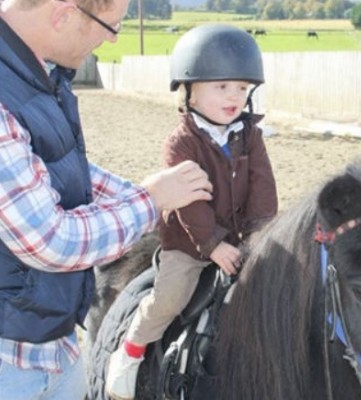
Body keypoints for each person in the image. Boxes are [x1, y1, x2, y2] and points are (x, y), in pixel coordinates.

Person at [0, 0, 214, 398]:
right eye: (109, 24)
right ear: (62, 13)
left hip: (49, 342)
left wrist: (163, 201)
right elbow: (49, 240)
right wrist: (150, 201)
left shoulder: (33, 72)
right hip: (11, 365)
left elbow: (63, 171)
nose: (113, 37)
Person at [105, 24, 278, 400]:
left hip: (238, 240)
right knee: (172, 295)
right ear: (189, 91)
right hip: (189, 242)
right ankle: (132, 351)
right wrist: (213, 245)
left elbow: (264, 191)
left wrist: (258, 238)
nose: (234, 96)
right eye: (221, 87)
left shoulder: (250, 136)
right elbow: (189, 203)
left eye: (242, 89)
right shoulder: (181, 142)